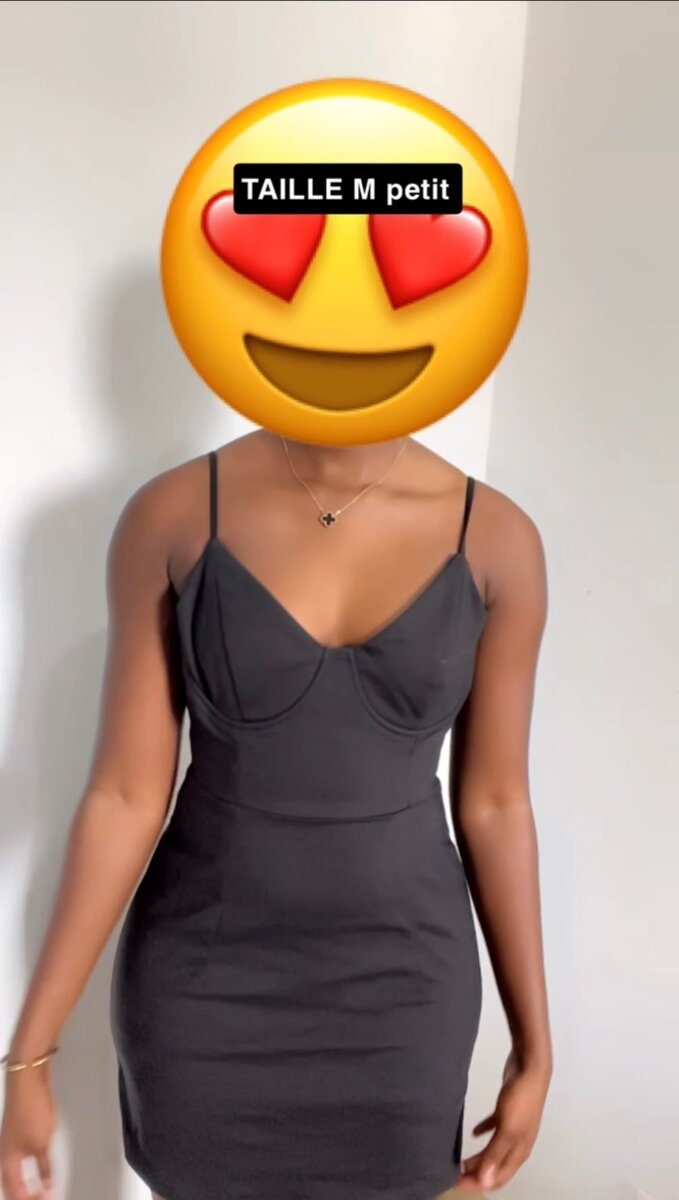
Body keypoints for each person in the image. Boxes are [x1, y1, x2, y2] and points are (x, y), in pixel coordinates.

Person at [0, 428, 551, 1200]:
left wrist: (534, 1044)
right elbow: (124, 797)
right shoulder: (174, 514)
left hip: (402, 992)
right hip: (204, 984)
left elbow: (495, 805)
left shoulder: (494, 537)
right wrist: (29, 1055)